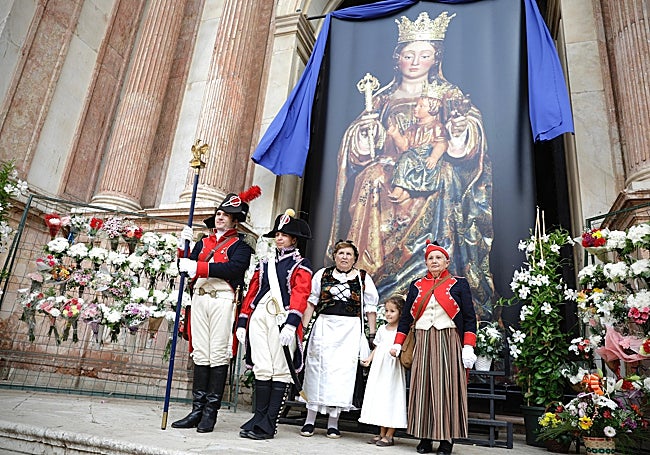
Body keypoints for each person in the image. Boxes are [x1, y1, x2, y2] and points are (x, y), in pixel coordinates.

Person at [328, 11, 494, 320]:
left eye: (424, 55)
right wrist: (367, 132)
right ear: (398, 59)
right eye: (408, 55)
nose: (416, 62)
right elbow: (360, 143)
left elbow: (467, 128)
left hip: (431, 168)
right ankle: (372, 271)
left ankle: (437, 269)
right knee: (371, 177)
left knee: (445, 175)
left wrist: (459, 129)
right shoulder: (381, 98)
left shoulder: (448, 94)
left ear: (436, 59)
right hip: (391, 166)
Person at [172, 186, 261, 433]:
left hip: (222, 299)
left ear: (234, 219)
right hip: (200, 298)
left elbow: (233, 269)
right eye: (218, 213)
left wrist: (198, 267)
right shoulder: (202, 243)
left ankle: (210, 412)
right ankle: (196, 410)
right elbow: (183, 266)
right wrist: (183, 247)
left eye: (225, 214)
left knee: (218, 353)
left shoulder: (241, 245)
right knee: (200, 353)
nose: (220, 217)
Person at [390, 241, 477, 455]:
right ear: (426, 262)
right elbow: (407, 318)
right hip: (422, 340)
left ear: (446, 261)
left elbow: (469, 318)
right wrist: (398, 343)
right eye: (430, 258)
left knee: (448, 389)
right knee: (423, 390)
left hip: (448, 340)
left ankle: (446, 440)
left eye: (439, 258)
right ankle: (425, 437)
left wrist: (468, 346)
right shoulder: (417, 285)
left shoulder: (459, 284)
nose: (434, 261)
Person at [235, 209, 313, 440]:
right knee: (262, 367)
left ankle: (269, 423)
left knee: (279, 370)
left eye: (284, 235)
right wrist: (243, 320)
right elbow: (252, 292)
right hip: (260, 317)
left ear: (294, 240)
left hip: (282, 320)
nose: (279, 238)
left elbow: (301, 293)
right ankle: (258, 417)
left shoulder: (301, 264)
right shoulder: (265, 262)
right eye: (277, 234)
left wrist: (291, 324)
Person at [300, 239, 378, 439]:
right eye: (341, 253)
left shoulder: (362, 278)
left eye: (349, 254)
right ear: (334, 256)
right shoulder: (322, 275)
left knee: (342, 375)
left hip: (349, 329)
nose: (344, 257)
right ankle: (310, 420)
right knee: (317, 370)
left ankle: (333, 423)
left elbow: (370, 308)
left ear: (355, 258)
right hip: (324, 325)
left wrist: (371, 334)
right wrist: (304, 328)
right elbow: (311, 302)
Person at [359, 295, 408, 447]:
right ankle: (381, 433)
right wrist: (369, 358)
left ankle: (390, 434)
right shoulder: (381, 329)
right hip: (379, 368)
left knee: (392, 397)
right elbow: (378, 347)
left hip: (392, 369)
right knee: (381, 397)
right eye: (386, 310)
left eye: (392, 311)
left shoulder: (402, 331)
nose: (388, 314)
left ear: (400, 312)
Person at [388, 85, 448, 204]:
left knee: (406, 159)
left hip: (427, 157)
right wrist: (396, 135)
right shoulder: (411, 128)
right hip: (412, 156)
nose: (416, 108)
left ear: (432, 109)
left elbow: (442, 144)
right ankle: (402, 189)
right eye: (416, 105)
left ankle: (403, 190)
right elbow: (404, 146)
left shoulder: (437, 127)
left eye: (421, 106)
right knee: (404, 159)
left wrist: (434, 157)